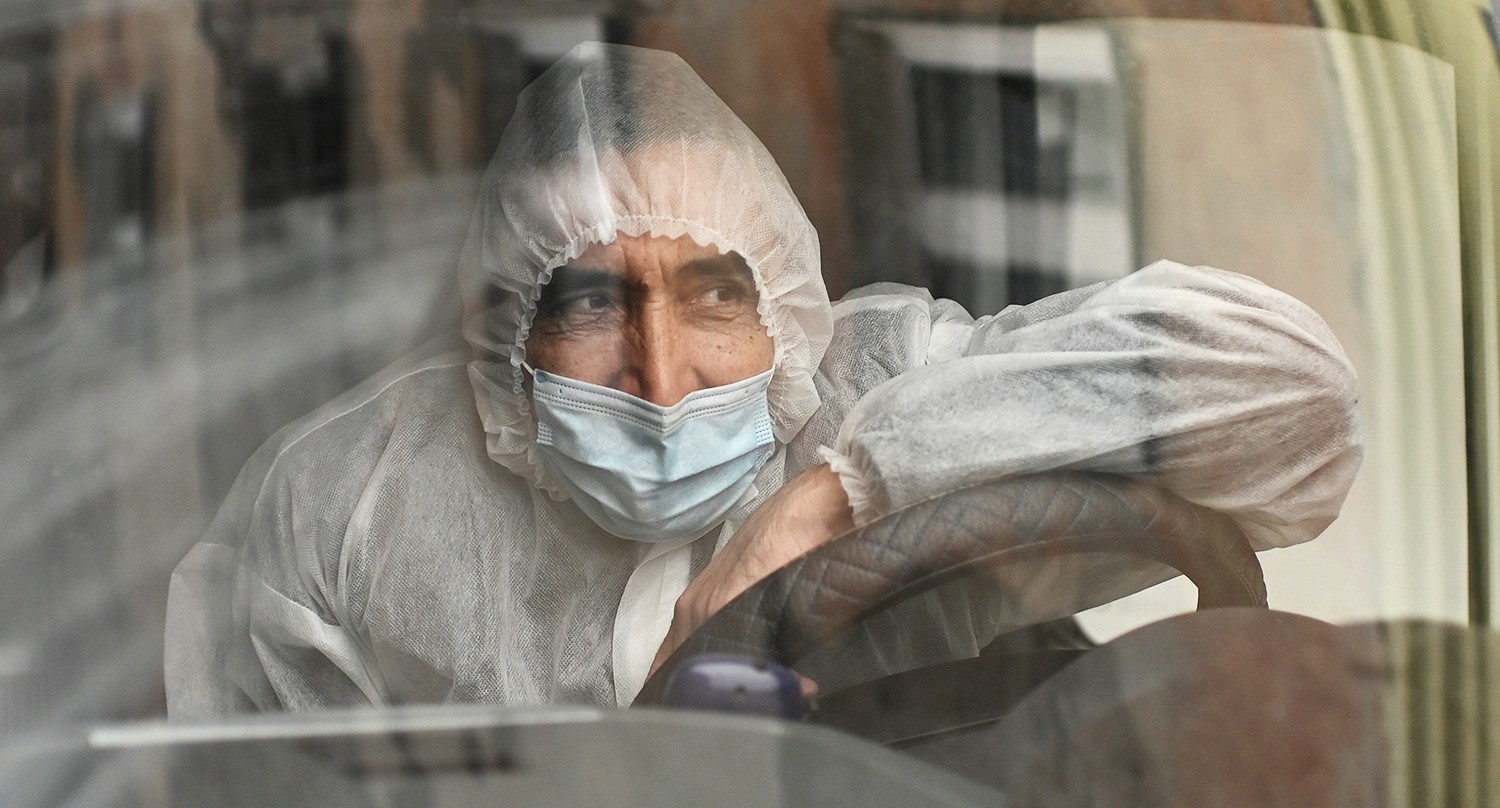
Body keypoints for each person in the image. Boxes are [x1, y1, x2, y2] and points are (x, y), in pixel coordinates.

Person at [163, 43, 1362, 715]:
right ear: (509, 338)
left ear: (786, 308)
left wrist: (835, 499)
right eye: (592, 302)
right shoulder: (355, 503)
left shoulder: (880, 388)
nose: (663, 376)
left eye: (715, 295)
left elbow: (1294, 394)